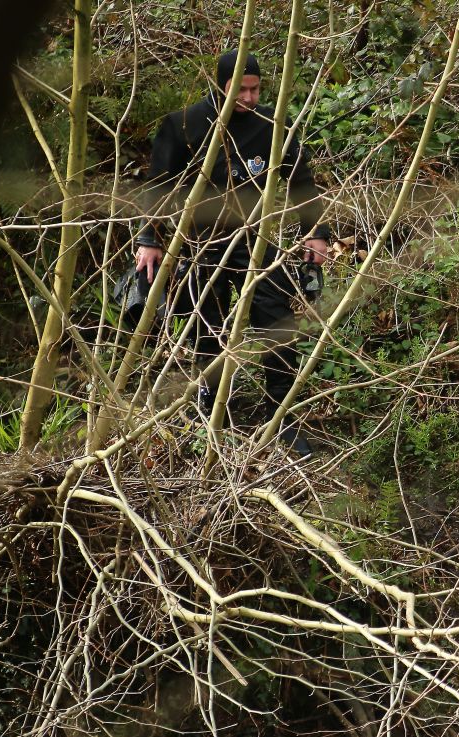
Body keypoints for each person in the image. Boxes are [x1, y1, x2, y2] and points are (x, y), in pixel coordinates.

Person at [134, 49, 331, 455]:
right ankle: (210, 411)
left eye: (255, 88)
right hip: (198, 242)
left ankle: (280, 416)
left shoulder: (272, 126)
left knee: (277, 320)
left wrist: (316, 232)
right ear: (220, 85)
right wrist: (150, 240)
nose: (248, 97)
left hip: (253, 238)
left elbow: (302, 182)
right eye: (239, 89)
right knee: (206, 326)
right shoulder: (183, 125)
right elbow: (157, 187)